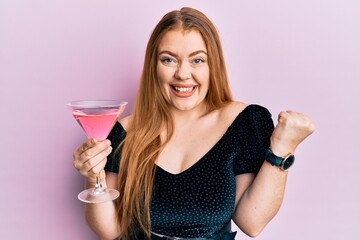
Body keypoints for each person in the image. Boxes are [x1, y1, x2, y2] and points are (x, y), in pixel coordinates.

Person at [72, 7, 315, 240]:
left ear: (213, 66)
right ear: (153, 66)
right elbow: (110, 230)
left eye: (197, 60)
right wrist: (94, 177)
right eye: (169, 60)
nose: (183, 74)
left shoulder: (244, 123)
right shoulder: (124, 132)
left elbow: (251, 222)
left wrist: (283, 149)